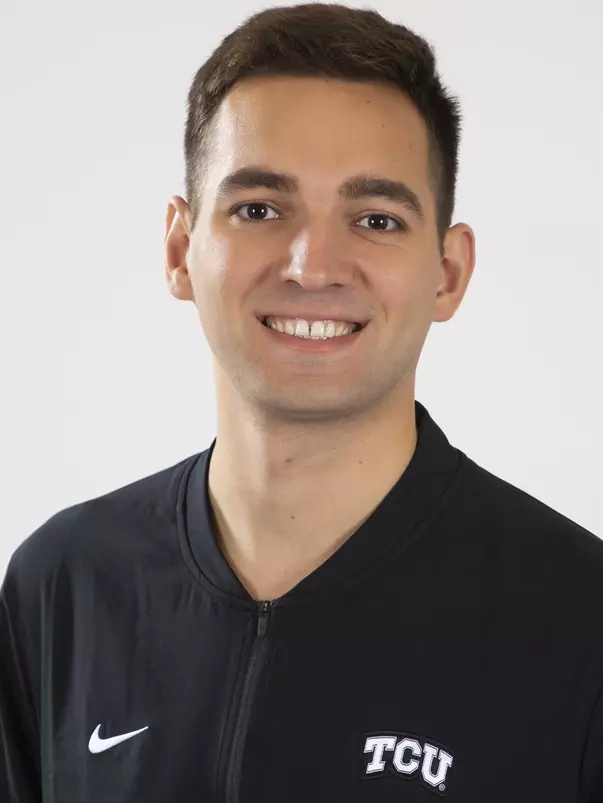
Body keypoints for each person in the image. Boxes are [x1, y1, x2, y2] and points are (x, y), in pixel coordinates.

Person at [1, 3, 602, 801]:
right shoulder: (63, 585)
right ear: (181, 250)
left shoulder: (577, 618)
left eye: (375, 218)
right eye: (258, 208)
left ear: (447, 273)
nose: (312, 264)